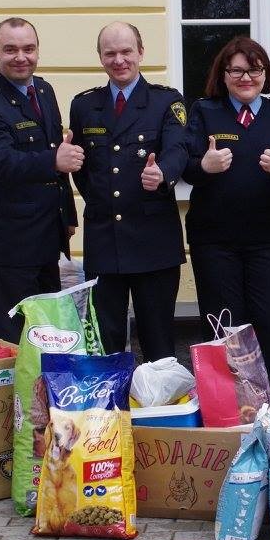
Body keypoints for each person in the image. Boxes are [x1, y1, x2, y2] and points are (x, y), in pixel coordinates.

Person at [182, 36, 270, 392]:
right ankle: (228, 409)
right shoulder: (204, 111)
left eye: (254, 70)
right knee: (224, 327)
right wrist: (203, 165)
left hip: (265, 240)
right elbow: (184, 167)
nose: (246, 77)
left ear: (266, 74)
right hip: (214, 242)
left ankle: (269, 404)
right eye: (236, 70)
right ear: (223, 75)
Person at [68, 22, 189, 360]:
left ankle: (159, 412)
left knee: (158, 341)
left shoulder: (167, 101)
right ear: (101, 57)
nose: (119, 60)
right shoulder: (84, 105)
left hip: (154, 239)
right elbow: (81, 167)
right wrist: (99, 197)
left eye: (126, 51)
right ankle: (112, 412)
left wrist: (162, 173)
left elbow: (179, 149)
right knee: (106, 341)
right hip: (105, 237)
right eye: (111, 53)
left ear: (140, 52)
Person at [0, 17, 82, 343]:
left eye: (28, 49)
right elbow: (0, 164)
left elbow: (53, 151)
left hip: (46, 237)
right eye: (11, 49)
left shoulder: (43, 90)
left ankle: (41, 396)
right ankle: (15, 398)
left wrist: (67, 217)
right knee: (17, 342)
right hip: (9, 244)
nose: (21, 57)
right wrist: (53, 161)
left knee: (48, 337)